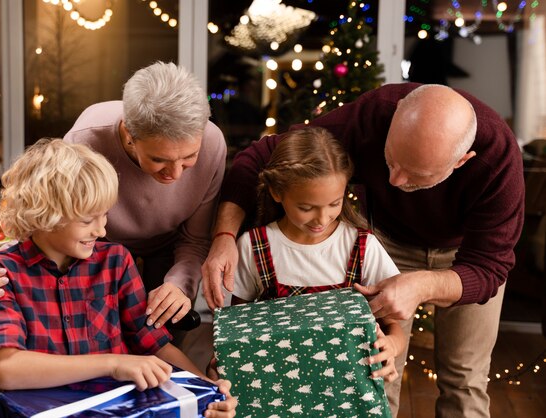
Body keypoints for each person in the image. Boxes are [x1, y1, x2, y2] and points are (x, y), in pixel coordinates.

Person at [201, 83, 525, 417]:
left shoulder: (498, 159)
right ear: (395, 115)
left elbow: (489, 269)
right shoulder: (373, 114)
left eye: (417, 174)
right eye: (391, 161)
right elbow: (259, 157)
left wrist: (422, 284)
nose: (396, 181)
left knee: (465, 378)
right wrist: (224, 235)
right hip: (391, 241)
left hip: (468, 261)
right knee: (380, 373)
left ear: (462, 161)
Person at [0, 61, 226, 331]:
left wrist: (179, 286)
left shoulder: (212, 143)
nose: (176, 174)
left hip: (172, 253)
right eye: (159, 159)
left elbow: (195, 239)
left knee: (161, 337)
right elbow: (48, 221)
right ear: (129, 134)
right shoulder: (85, 140)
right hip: (94, 254)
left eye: (189, 157)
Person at [0, 139, 236, 417]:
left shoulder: (115, 261)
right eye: (88, 220)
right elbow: (6, 371)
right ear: (45, 215)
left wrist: (207, 387)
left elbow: (155, 344)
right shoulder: (2, 273)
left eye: (104, 216)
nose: (101, 231)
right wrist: (113, 363)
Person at [231, 126, 406, 382]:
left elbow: (394, 327)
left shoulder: (362, 246)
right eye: (306, 207)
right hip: (276, 384)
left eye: (334, 204)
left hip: (349, 388)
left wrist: (391, 345)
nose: (322, 219)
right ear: (277, 192)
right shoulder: (254, 246)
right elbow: (238, 326)